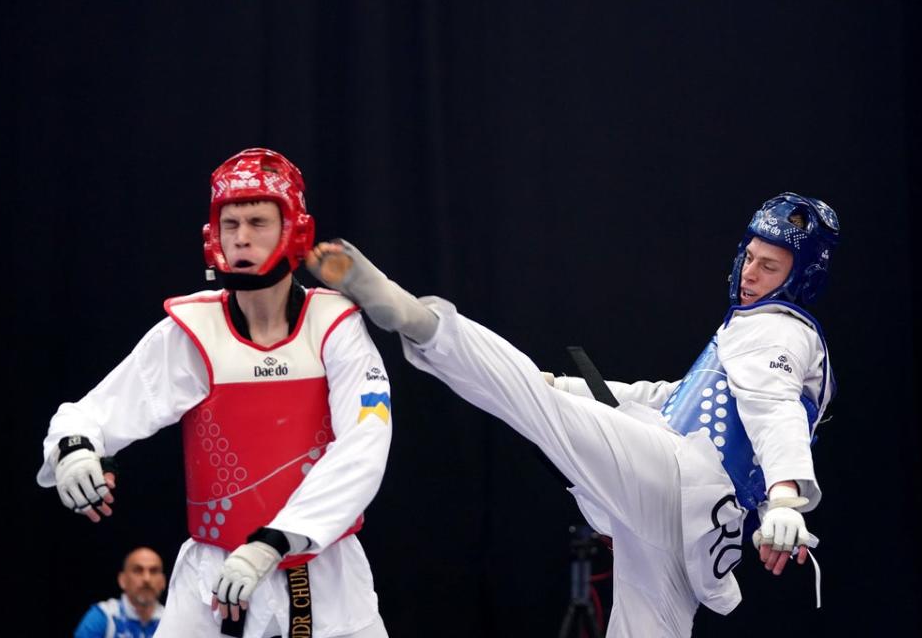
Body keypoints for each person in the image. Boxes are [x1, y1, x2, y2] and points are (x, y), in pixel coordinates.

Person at [304, 193, 839, 637]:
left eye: (769, 266)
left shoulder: (779, 329)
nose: (750, 272)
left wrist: (787, 499)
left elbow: (775, 408)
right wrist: (570, 384)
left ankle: (420, 321)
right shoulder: (756, 333)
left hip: (684, 480)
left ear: (802, 276)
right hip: (697, 528)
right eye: (749, 256)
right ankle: (465, 347)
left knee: (541, 412)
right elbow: (670, 399)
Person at [38, 148, 392, 638]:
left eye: (257, 221)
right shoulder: (193, 330)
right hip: (213, 575)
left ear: (295, 229)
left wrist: (275, 541)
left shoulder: (335, 326)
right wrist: (74, 451)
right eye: (230, 223)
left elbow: (364, 446)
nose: (241, 237)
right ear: (212, 234)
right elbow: (90, 415)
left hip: (323, 573)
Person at [74, 546, 166, 638]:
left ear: (163, 581)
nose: (147, 578)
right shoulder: (104, 616)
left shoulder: (171, 619)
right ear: (122, 580)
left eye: (154, 571)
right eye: (138, 570)